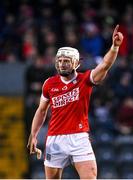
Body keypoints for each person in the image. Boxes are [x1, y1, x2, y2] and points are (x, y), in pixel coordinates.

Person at [27, 25, 123, 179]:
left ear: (76, 63)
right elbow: (41, 110)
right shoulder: (49, 83)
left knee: (90, 177)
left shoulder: (85, 79)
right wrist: (33, 134)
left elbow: (104, 65)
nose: (62, 64)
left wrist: (114, 47)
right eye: (60, 60)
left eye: (66, 61)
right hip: (55, 139)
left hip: (79, 138)